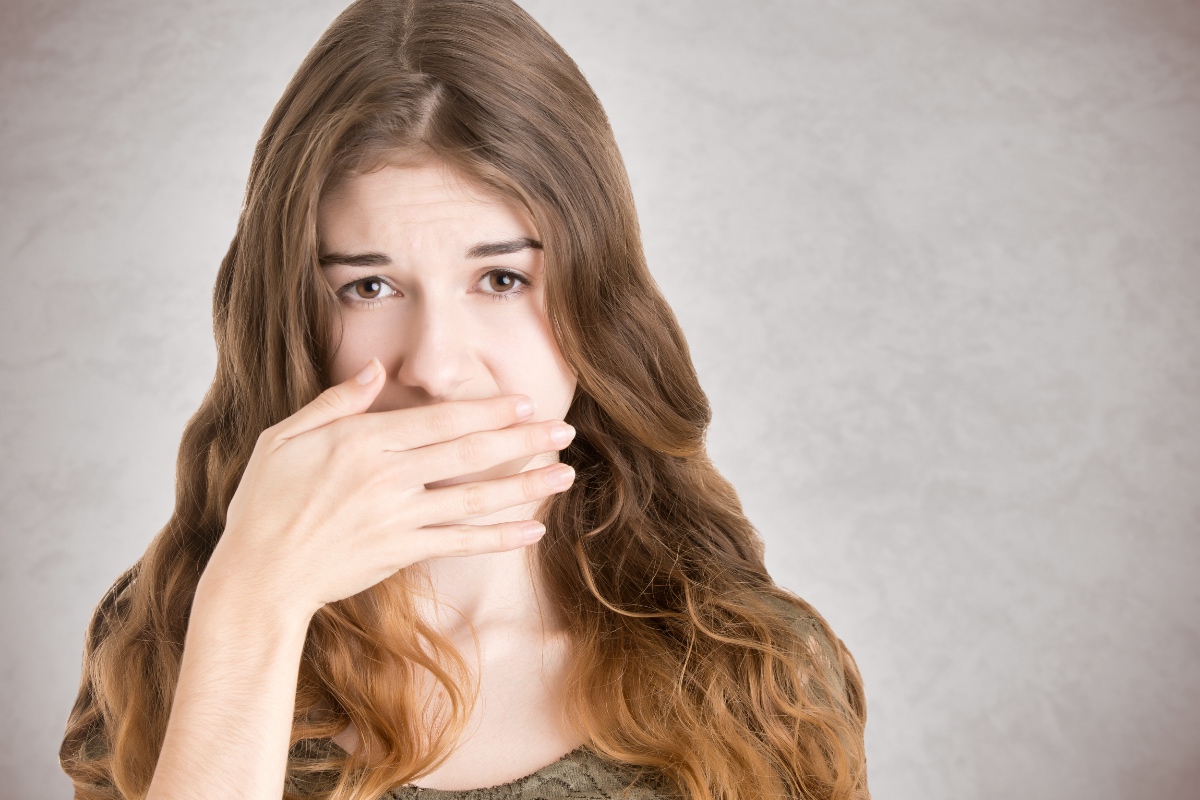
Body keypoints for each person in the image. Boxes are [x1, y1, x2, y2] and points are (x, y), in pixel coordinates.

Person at [59, 1, 869, 798]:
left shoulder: (759, 674)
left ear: (597, 299)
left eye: (502, 279)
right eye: (368, 286)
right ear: (291, 314)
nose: (438, 367)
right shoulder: (165, 636)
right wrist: (250, 608)